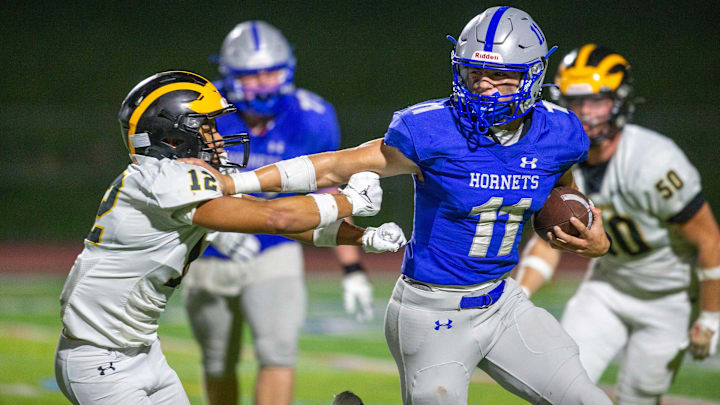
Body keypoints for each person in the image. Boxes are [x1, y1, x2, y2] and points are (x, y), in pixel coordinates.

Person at [195, 7, 614, 404]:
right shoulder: (432, 129)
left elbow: (560, 190)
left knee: (587, 399)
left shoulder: (560, 132)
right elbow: (333, 168)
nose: (484, 87)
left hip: (504, 303)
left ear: (533, 76)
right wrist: (234, 182)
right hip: (432, 312)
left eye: (500, 77)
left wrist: (590, 234)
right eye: (475, 74)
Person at [53, 70, 406, 405]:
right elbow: (277, 217)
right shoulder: (165, 181)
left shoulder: (167, 179)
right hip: (101, 360)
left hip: (142, 350)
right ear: (174, 135)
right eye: (207, 127)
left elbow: (267, 214)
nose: (219, 138)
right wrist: (347, 200)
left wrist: (362, 237)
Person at [181, 21, 375, 405]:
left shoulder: (313, 116)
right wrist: (213, 233)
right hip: (208, 254)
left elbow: (330, 193)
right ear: (231, 77)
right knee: (218, 361)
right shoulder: (205, 114)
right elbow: (180, 185)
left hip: (276, 248)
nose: (263, 84)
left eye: (269, 72)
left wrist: (352, 267)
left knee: (279, 354)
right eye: (252, 76)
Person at [516, 44, 720, 404]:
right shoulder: (561, 157)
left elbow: (708, 239)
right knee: (559, 385)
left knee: (638, 396)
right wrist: (521, 295)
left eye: (596, 101)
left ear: (620, 101)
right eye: (575, 102)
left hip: (669, 299)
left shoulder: (654, 161)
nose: (585, 113)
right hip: (606, 287)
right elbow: (550, 241)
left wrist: (710, 316)